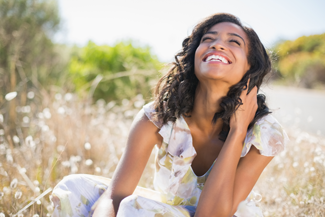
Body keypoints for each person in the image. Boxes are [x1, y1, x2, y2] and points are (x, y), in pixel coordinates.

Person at [51, 13, 289, 217]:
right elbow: (115, 197)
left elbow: (212, 215)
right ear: (194, 55)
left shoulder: (263, 132)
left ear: (250, 66)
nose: (218, 44)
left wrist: (237, 132)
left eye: (234, 42)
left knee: (135, 209)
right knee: (74, 188)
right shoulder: (158, 117)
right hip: (170, 211)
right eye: (208, 39)